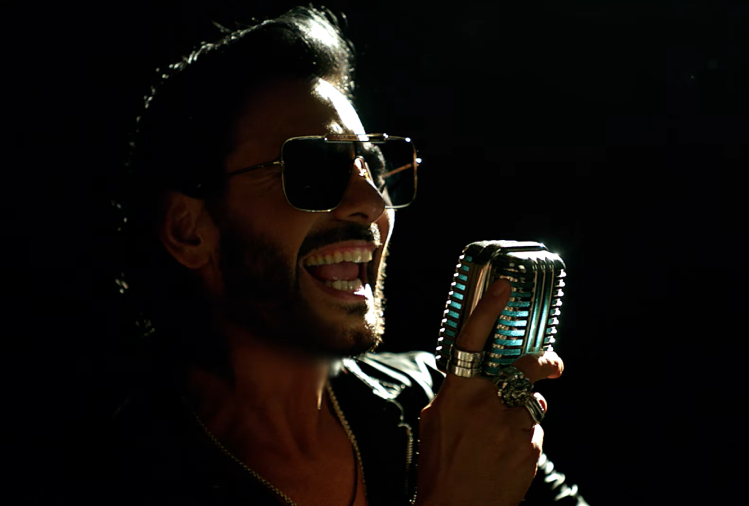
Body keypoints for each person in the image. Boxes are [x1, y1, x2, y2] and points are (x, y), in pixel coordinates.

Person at [85, 6, 588, 506]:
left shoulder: (433, 400)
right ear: (188, 231)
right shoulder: (117, 474)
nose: (372, 203)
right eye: (314, 168)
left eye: (372, 165)